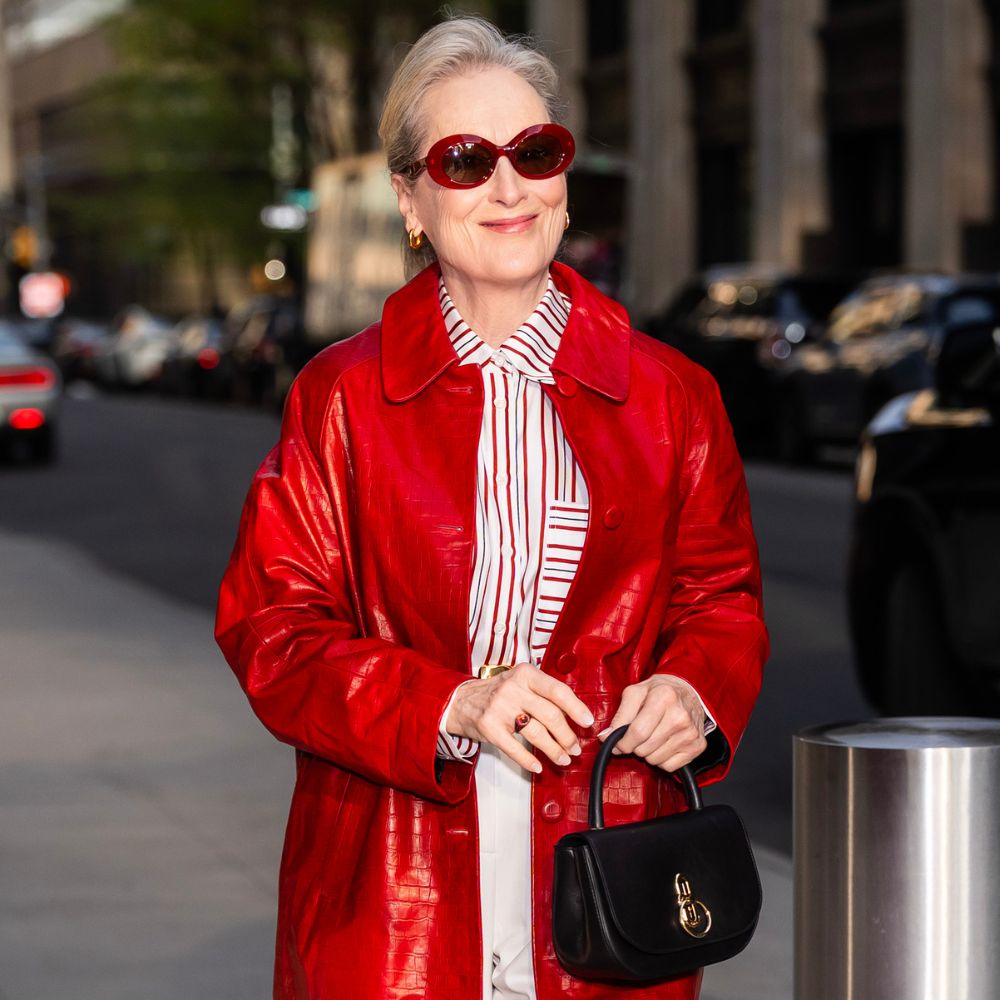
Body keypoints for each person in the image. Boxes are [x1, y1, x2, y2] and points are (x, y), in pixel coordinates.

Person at [216, 15, 767, 1000]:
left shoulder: (672, 393)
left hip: (612, 886)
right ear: (411, 198)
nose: (509, 187)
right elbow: (272, 628)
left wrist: (693, 689)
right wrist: (450, 701)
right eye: (465, 160)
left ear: (564, 176)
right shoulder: (341, 397)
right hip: (398, 900)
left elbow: (720, 599)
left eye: (535, 151)